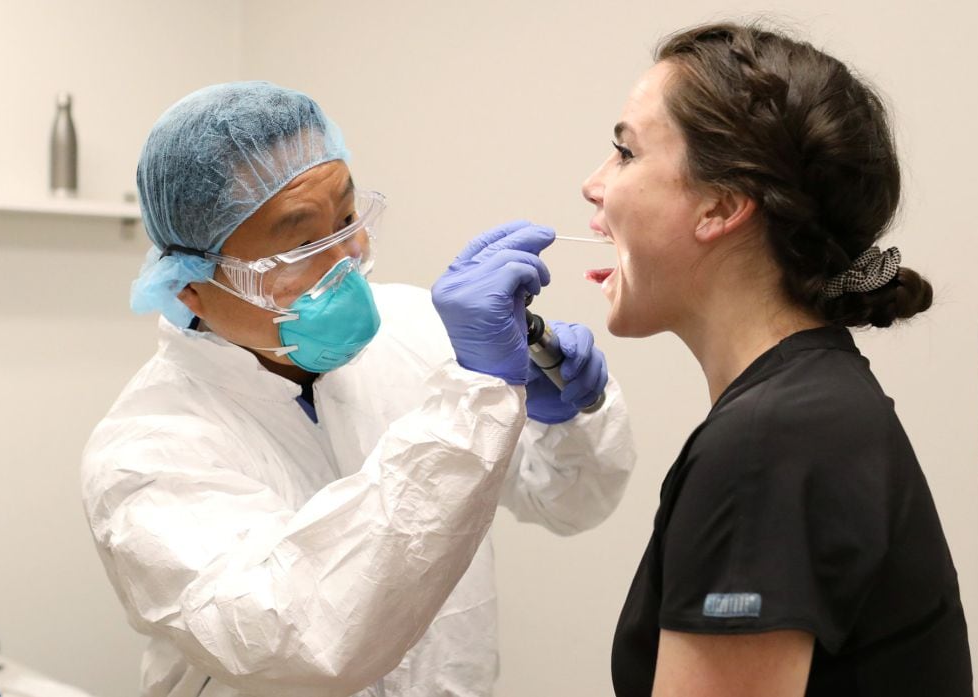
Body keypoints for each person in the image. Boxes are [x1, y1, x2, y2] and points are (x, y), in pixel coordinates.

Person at [81, 81, 635, 697]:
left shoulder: (422, 330)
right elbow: (303, 640)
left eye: (347, 218)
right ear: (189, 285)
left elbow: (570, 503)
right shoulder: (146, 454)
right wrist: (473, 395)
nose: (348, 257)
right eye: (301, 243)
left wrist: (570, 418)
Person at [580, 23, 973, 697]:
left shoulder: (770, 442)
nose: (593, 187)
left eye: (624, 153)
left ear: (723, 205)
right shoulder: (811, 404)